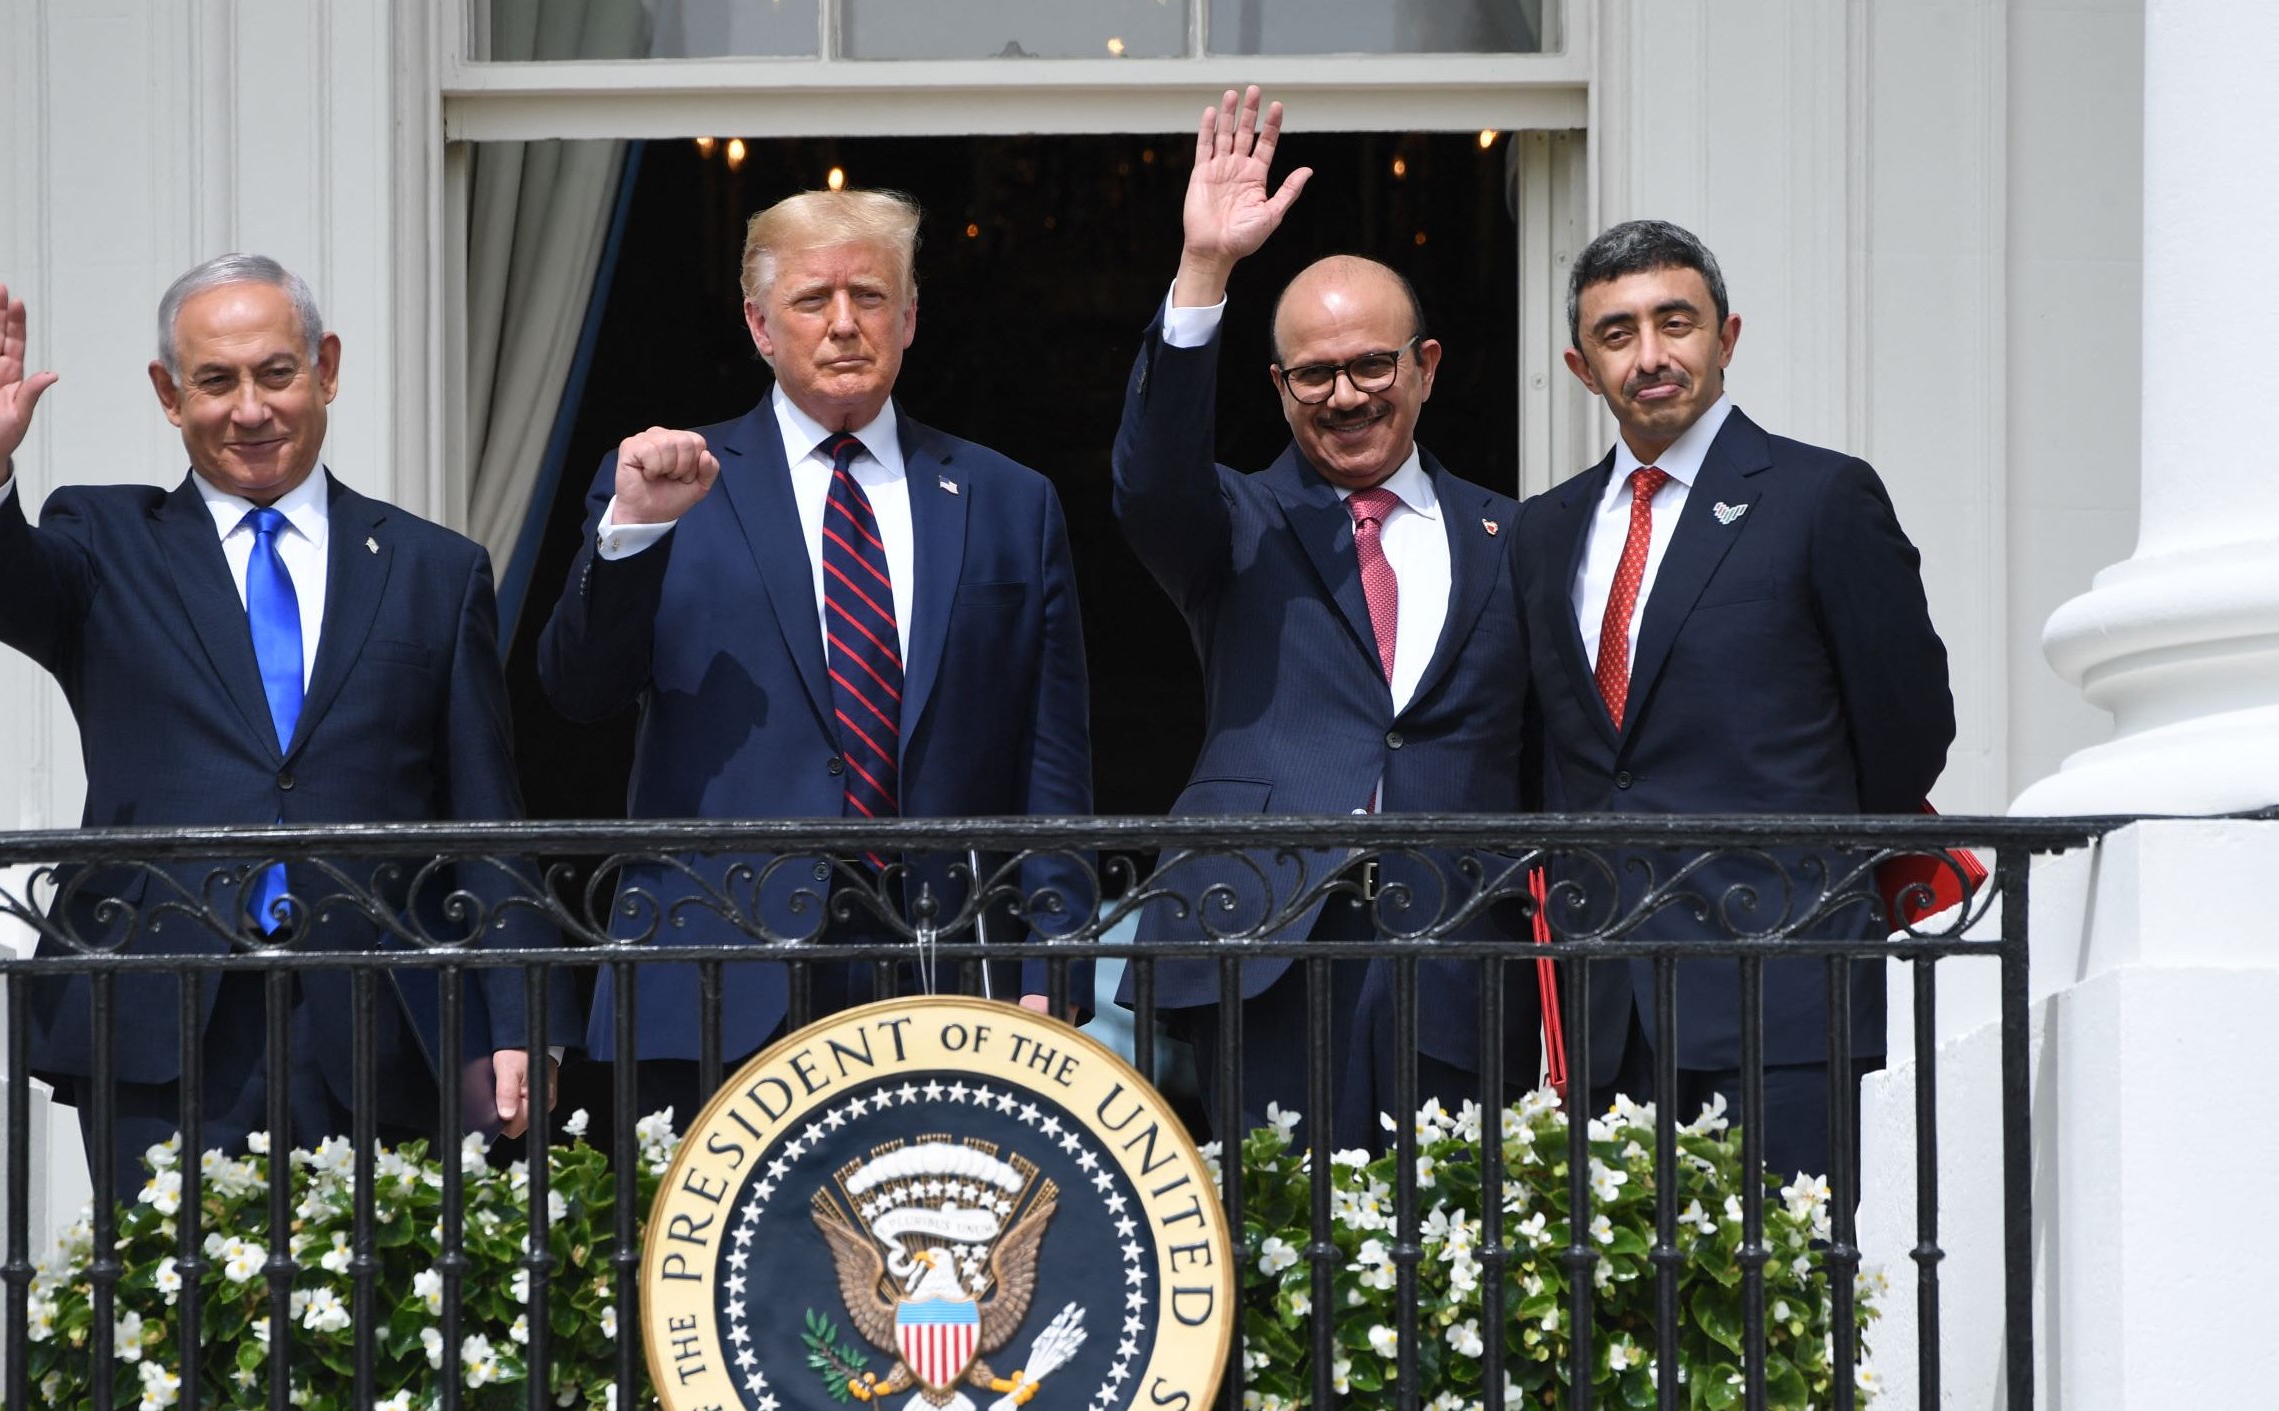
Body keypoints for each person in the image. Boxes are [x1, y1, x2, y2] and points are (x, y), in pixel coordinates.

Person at [0, 258, 567, 1182]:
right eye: (216, 381)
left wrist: (522, 1017)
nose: (250, 409)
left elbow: (484, 811)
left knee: (378, 1316)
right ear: (169, 394)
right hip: (159, 1011)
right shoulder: (107, 543)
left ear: (326, 369)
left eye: (276, 373)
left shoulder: (433, 568)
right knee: (164, 1314)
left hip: (381, 1017)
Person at [535, 188, 1094, 1123]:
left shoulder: (1007, 499)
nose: (844, 324)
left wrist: (1052, 966)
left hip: (941, 971)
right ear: (759, 324)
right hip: (715, 973)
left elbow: (1051, 758)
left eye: (870, 297)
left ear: (909, 317)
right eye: (812, 300)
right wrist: (631, 534)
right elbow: (577, 691)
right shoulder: (672, 480)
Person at [1113, 88, 1536, 1150]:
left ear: (1425, 368)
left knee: (1452, 1256)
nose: (1343, 396)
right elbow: (1149, 477)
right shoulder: (1235, 522)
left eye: (1370, 366)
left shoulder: (1520, 537)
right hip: (1261, 941)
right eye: (1312, 374)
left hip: (1456, 945)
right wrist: (1202, 273)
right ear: (1277, 383)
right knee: (1278, 1250)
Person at [1511, 219, 1954, 1185]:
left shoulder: (1821, 495)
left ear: (1727, 337)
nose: (1653, 354)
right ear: (1581, 367)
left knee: (1778, 1319)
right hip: (1602, 1008)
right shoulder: (1541, 532)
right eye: (1618, 333)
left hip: (1778, 983)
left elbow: (1909, 726)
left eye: (1677, 322)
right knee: (1615, 1329)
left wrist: (1805, 867)